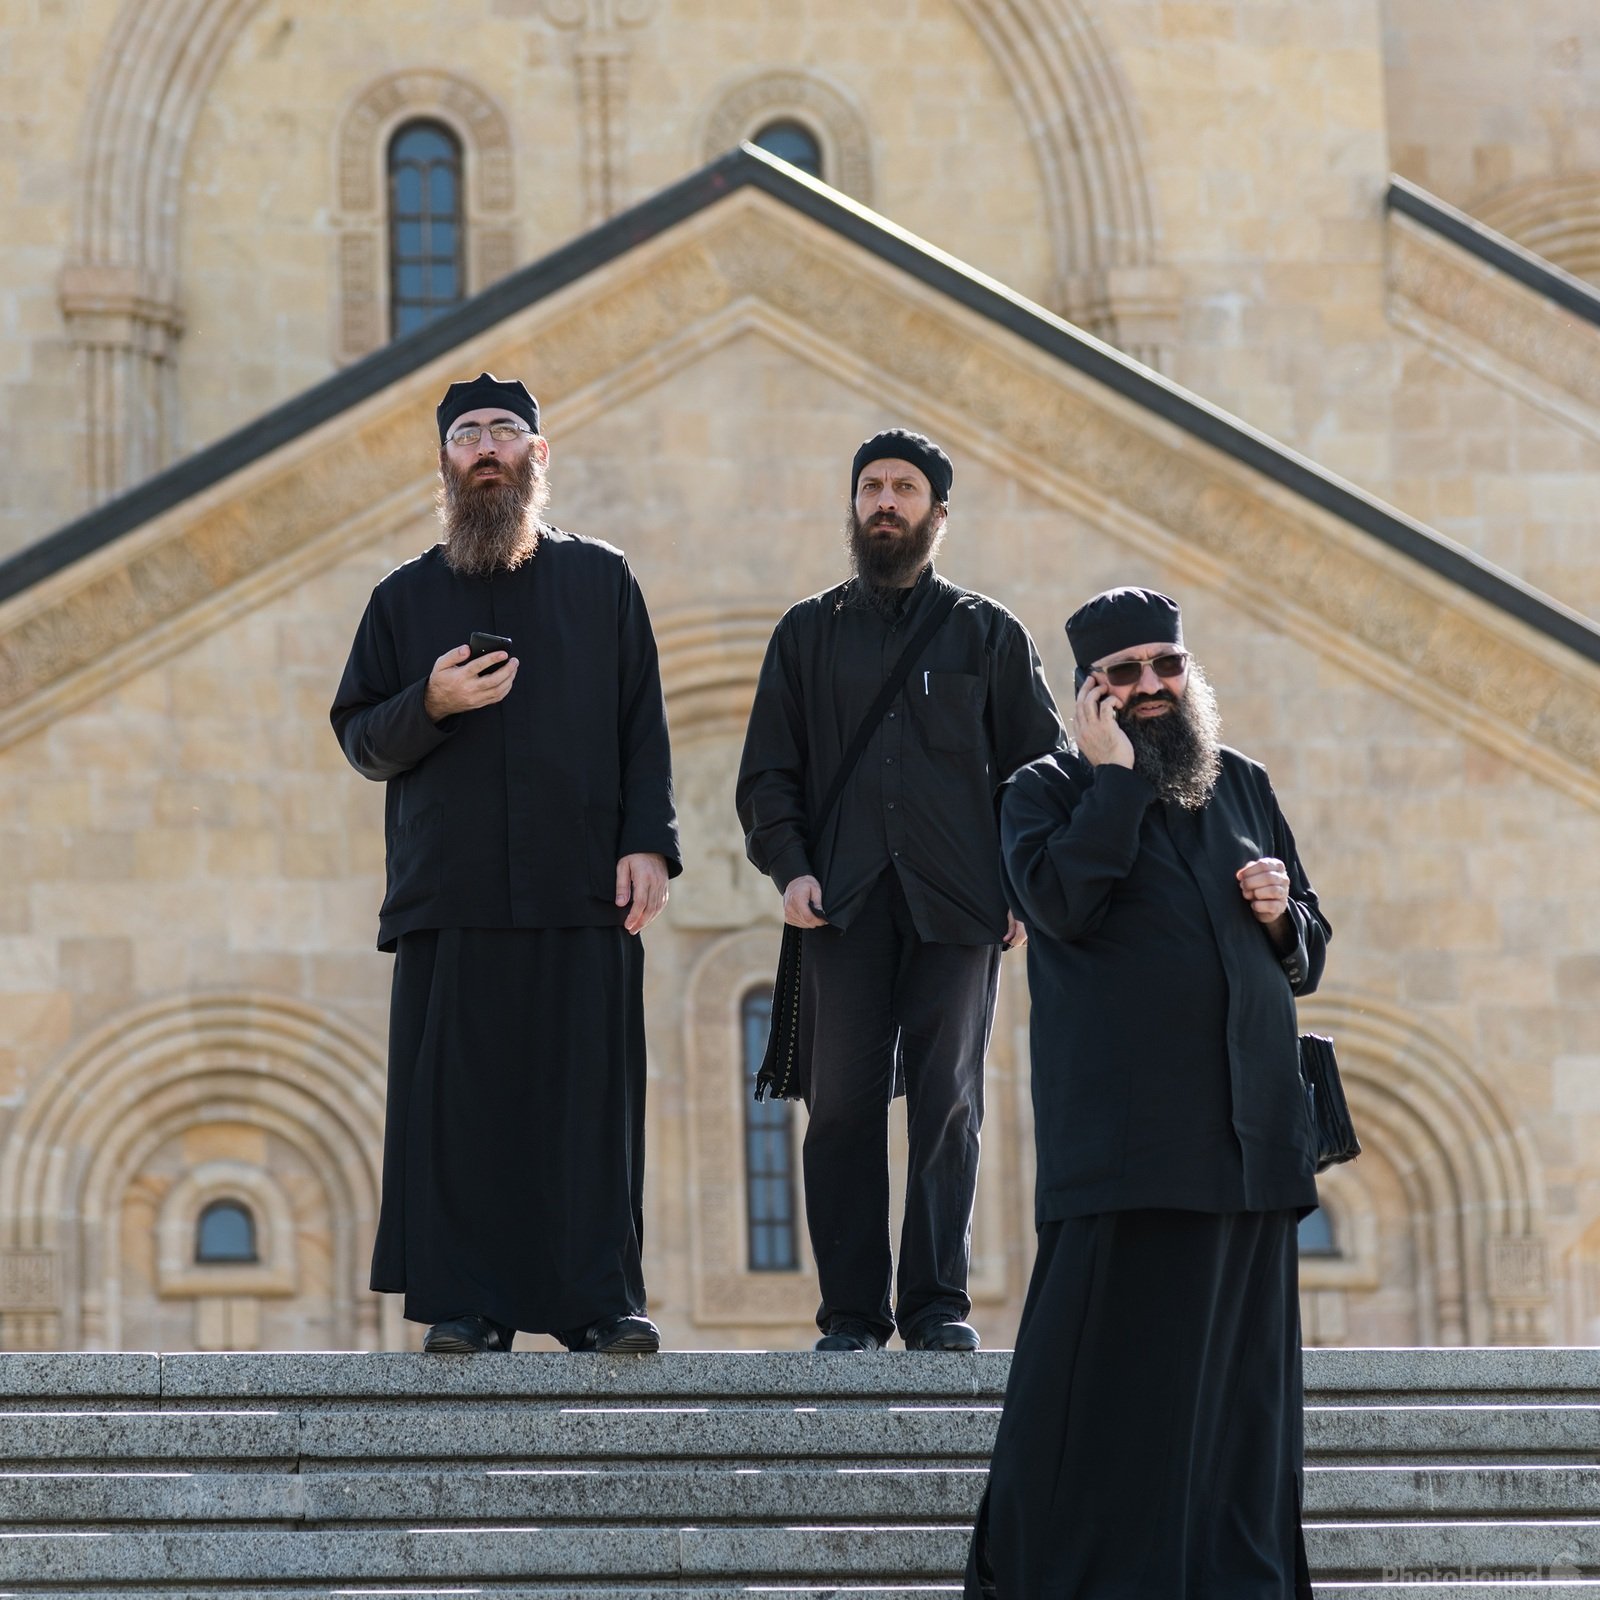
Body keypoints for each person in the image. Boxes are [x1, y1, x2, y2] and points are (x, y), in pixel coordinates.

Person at [966, 585, 1328, 1598]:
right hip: (1128, 1146)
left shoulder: (1241, 782)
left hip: (1253, 1139)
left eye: (1164, 666)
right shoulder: (1041, 790)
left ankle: (1235, 1579)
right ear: (1090, 693)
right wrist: (1113, 782)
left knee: (1242, 1399)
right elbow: (1062, 904)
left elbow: (1307, 949)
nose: (1151, 687)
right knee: (1111, 1391)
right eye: (1123, 676)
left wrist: (1279, 914)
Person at [330, 372, 680, 1355]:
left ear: (538, 455)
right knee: (464, 1108)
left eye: (505, 432)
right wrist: (429, 703)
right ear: (444, 462)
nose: (486, 447)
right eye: (467, 435)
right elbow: (360, 736)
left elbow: (640, 727)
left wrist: (648, 842)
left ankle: (597, 1303)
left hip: (583, 886)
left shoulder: (602, 580)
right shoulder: (402, 599)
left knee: (586, 1105)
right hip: (457, 891)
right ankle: (468, 1307)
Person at [736, 429, 1065, 1355]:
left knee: (946, 1101)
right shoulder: (805, 633)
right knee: (839, 1105)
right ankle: (849, 1314)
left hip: (960, 906)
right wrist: (789, 866)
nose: (886, 501)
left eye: (905, 489)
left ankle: (933, 1307)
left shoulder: (989, 633)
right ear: (852, 505)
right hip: (840, 903)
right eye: (872, 487)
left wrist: (1020, 882)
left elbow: (1038, 772)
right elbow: (768, 774)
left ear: (938, 514)